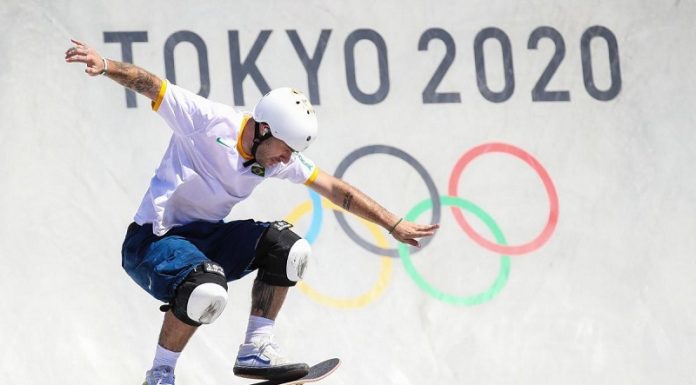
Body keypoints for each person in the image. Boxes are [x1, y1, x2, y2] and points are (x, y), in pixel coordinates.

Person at [65, 38, 439, 385]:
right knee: (207, 289)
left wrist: (393, 223)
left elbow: (336, 190)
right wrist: (105, 65)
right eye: (284, 148)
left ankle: (255, 350)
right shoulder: (208, 119)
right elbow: (151, 85)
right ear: (262, 129)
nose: (286, 159)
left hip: (206, 239)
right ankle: (161, 373)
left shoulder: (276, 160)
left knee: (289, 247)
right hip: (152, 242)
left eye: (291, 153)